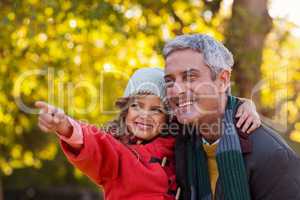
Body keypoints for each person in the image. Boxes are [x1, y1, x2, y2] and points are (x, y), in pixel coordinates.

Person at [35, 67, 260, 200]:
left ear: (167, 117)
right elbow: (94, 142)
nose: (145, 115)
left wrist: (242, 104)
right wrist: (64, 125)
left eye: (156, 109)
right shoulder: (117, 153)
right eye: (136, 106)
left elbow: (208, 110)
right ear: (125, 111)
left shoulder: (180, 141)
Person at [163, 34, 300, 200]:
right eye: (169, 81)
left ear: (222, 80)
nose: (176, 91)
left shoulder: (273, 157)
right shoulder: (180, 141)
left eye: (190, 77)